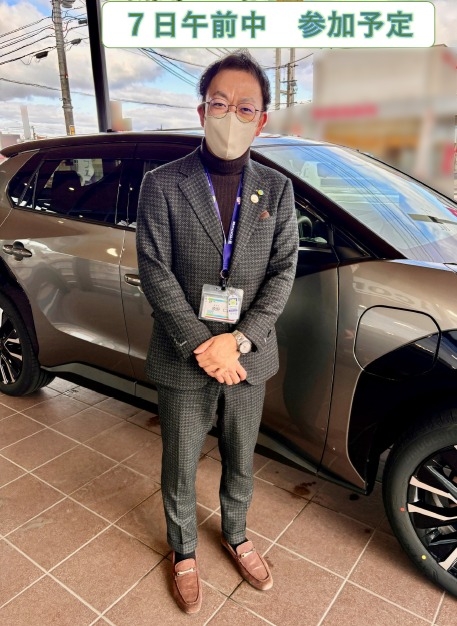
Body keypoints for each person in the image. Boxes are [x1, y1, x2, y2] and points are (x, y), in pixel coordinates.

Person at [136, 51, 299, 614]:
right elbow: (155, 269)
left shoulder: (276, 189)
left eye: (245, 107)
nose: (231, 115)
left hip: (247, 356)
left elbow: (283, 271)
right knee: (180, 462)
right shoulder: (163, 184)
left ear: (262, 119)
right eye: (220, 103)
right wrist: (203, 344)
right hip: (185, 353)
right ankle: (183, 550)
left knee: (241, 456)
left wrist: (240, 339)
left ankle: (237, 533)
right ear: (202, 110)